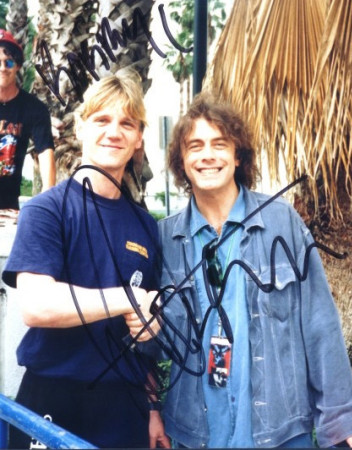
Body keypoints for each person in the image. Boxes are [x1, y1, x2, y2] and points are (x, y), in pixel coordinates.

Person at [157, 93, 352, 448]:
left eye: (219, 144)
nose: (207, 155)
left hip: (279, 432)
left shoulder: (282, 222)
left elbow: (320, 323)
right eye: (195, 146)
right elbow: (147, 340)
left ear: (238, 156)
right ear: (182, 161)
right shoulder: (165, 238)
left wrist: (340, 417)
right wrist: (150, 407)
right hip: (196, 434)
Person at [2, 72, 170, 449]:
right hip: (54, 399)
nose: (114, 132)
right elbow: (36, 305)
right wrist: (127, 299)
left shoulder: (144, 224)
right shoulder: (47, 210)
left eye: (127, 123)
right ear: (80, 128)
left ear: (139, 136)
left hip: (124, 408)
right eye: (102, 120)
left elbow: (144, 330)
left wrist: (153, 406)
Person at [0, 29, 55, 210]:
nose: (2, 68)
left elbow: (46, 153)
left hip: (8, 206)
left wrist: (48, 206)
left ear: (17, 65)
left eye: (8, 62)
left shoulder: (34, 108)